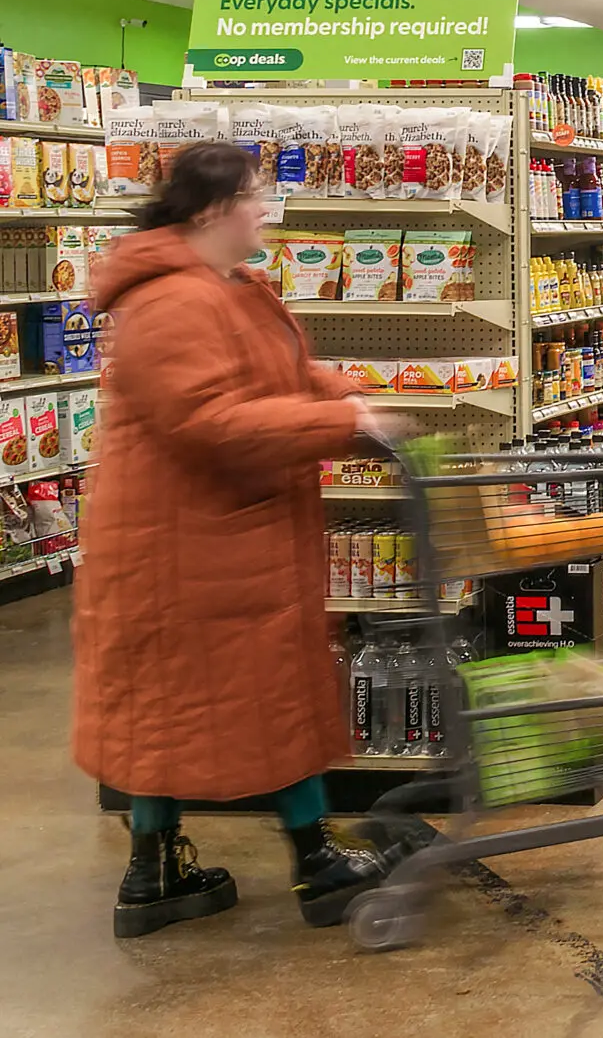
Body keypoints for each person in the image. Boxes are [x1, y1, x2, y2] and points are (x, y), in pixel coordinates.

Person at [72, 140, 391, 935]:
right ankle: (315, 859)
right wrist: (339, 422)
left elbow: (277, 375)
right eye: (255, 194)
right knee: (259, 695)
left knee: (175, 704)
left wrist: (348, 394)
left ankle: (156, 871)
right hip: (188, 547)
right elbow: (207, 419)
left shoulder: (228, 286)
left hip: (212, 537)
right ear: (213, 207)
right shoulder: (171, 301)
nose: (266, 208)